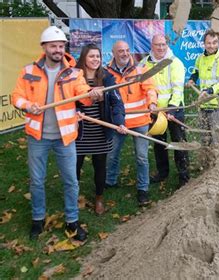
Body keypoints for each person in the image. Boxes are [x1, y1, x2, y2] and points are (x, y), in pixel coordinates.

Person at [11, 26, 101, 240]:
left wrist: (93, 94)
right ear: (44, 47)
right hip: (38, 137)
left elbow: (83, 96)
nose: (58, 50)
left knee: (71, 181)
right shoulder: (29, 71)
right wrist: (27, 105)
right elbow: (16, 96)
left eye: (61, 46)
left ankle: (72, 222)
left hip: (65, 138)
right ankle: (38, 219)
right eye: (53, 46)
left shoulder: (74, 73)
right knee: (36, 180)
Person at [75, 44, 126, 215]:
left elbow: (117, 102)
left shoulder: (107, 78)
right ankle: (73, 197)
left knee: (100, 167)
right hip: (79, 131)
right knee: (74, 167)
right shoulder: (74, 76)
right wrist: (75, 112)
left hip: (100, 131)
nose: (95, 59)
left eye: (97, 56)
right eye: (91, 56)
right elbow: (67, 101)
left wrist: (119, 122)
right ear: (84, 58)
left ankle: (99, 198)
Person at [105, 40, 157, 206]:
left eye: (127, 50)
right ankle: (110, 181)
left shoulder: (140, 69)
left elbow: (150, 89)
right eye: (121, 51)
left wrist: (153, 103)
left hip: (140, 120)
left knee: (142, 157)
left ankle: (143, 189)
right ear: (114, 53)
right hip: (117, 122)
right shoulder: (107, 73)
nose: (125, 53)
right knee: (112, 154)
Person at [140, 34, 190, 187]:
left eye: (163, 45)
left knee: (179, 143)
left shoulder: (175, 63)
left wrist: (172, 108)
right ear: (152, 46)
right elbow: (144, 87)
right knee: (159, 143)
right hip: (155, 111)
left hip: (174, 110)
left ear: (167, 45)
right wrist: (151, 106)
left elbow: (177, 89)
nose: (161, 48)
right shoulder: (145, 64)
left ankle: (184, 176)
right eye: (157, 45)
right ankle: (162, 172)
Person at [187, 29, 219, 145]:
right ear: (204, 43)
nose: (211, 46)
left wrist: (209, 91)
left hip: (218, 106)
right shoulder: (200, 58)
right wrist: (192, 79)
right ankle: (206, 162)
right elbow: (196, 70)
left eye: (214, 43)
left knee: (218, 141)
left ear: (218, 44)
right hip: (204, 104)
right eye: (208, 43)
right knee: (205, 139)